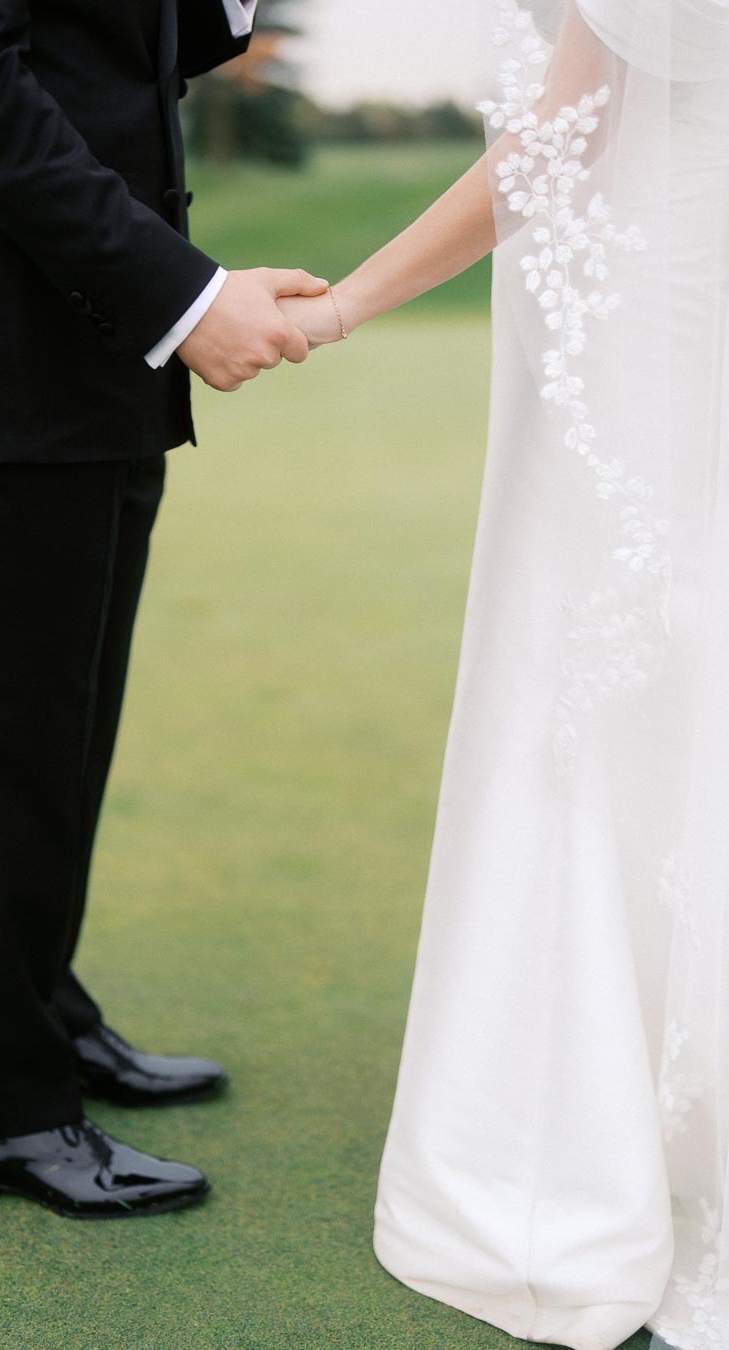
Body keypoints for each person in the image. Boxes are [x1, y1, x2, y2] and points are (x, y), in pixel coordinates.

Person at [0, 0, 327, 1220]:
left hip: (96, 357)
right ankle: (3, 1113)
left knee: (62, 736)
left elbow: (134, 46)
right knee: (11, 750)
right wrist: (189, 296)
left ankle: (43, 1016)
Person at [282, 1, 729, 1346]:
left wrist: (347, 296)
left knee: (598, 678)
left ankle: (597, 1153)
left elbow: (563, 124)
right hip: (677, 267)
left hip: (632, 287)